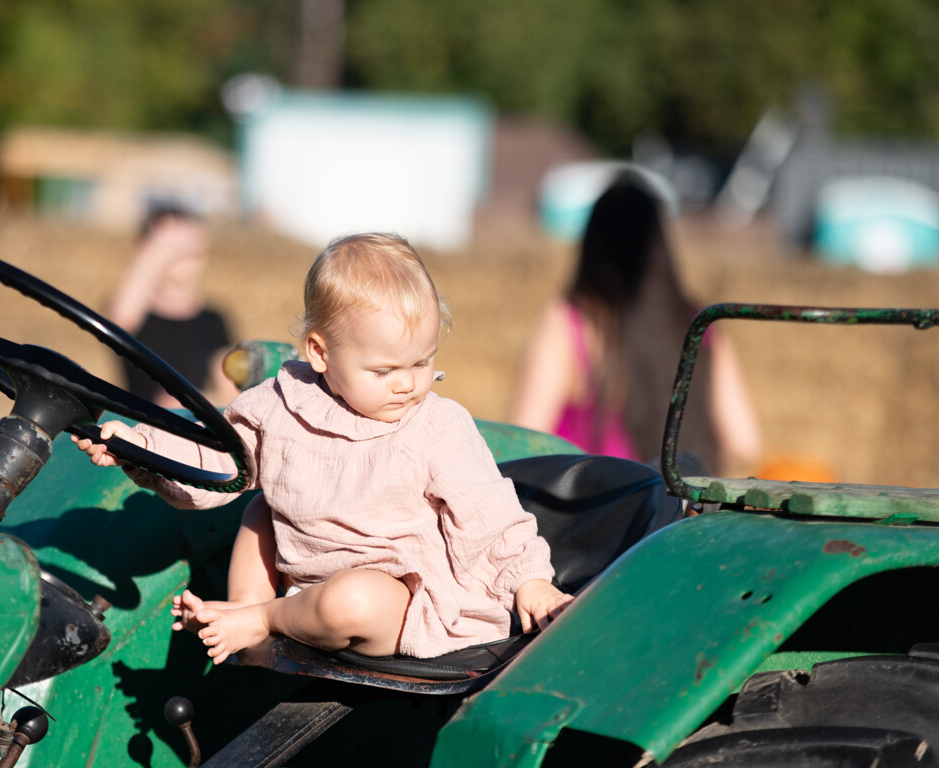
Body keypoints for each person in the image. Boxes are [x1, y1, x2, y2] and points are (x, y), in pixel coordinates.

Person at [76, 233, 572, 664]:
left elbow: (489, 515)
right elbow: (213, 463)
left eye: (422, 362)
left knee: (350, 600)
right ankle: (249, 617)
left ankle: (259, 619)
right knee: (259, 511)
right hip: (305, 584)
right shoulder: (279, 405)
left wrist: (527, 581)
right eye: (384, 371)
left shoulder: (436, 425)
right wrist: (142, 450)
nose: (407, 385)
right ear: (320, 353)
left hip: (399, 603)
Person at [510, 173, 761, 475]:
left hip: (598, 512)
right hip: (685, 512)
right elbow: (746, 444)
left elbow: (521, 444)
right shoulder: (699, 324)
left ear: (592, 246)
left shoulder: (569, 322)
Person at [108, 203, 237, 408]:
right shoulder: (134, 310)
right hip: (135, 426)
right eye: (170, 246)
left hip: (190, 429)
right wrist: (157, 251)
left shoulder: (213, 320)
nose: (180, 252)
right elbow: (118, 323)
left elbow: (230, 395)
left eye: (190, 248)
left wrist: (194, 403)